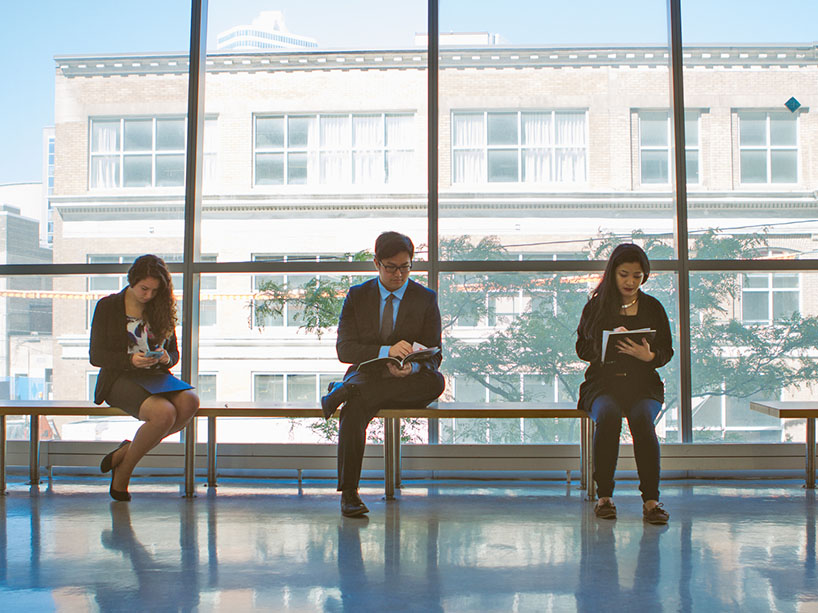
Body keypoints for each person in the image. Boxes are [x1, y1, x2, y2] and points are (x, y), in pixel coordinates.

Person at [321, 231, 445, 517]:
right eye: (391, 267)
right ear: (376, 263)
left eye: (405, 266)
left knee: (436, 381)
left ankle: (344, 390)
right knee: (355, 410)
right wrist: (385, 351)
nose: (399, 274)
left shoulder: (425, 298)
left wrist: (411, 367)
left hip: (408, 380)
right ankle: (349, 494)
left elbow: (436, 354)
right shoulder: (358, 296)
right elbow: (345, 349)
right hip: (368, 374)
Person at [575, 243, 673, 524]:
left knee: (642, 418)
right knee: (608, 415)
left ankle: (651, 501)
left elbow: (666, 351)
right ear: (613, 274)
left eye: (637, 276)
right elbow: (581, 349)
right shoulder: (596, 306)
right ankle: (604, 496)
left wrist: (649, 355)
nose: (630, 282)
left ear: (644, 277)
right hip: (603, 382)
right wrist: (604, 346)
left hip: (643, 383)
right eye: (624, 274)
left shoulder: (653, 306)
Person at [90, 254, 199, 501]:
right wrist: (129, 360)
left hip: (156, 375)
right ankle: (124, 473)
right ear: (132, 280)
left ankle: (124, 453)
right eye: (144, 288)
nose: (148, 295)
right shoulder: (108, 306)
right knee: (164, 414)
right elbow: (96, 355)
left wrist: (163, 358)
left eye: (154, 290)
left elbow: (174, 354)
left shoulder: (159, 306)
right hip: (119, 377)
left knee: (190, 402)